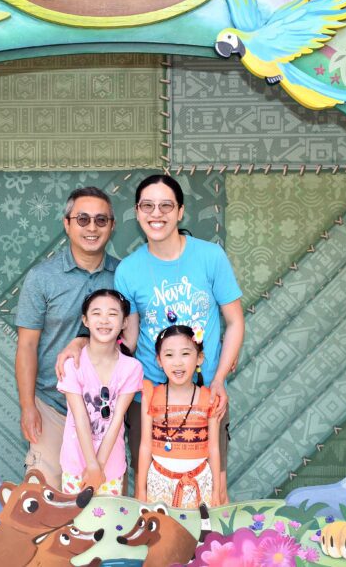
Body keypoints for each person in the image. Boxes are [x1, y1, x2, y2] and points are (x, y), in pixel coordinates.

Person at [58, 174, 243, 503]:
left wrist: (219, 379)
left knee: (212, 492)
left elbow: (235, 322)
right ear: (137, 212)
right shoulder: (129, 270)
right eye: (147, 206)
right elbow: (124, 336)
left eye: (165, 205)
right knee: (151, 492)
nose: (156, 213)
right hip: (148, 400)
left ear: (180, 211)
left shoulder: (210, 257)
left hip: (204, 396)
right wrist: (81, 342)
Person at [15, 186, 118, 488]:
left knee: (99, 505)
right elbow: (27, 345)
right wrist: (28, 406)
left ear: (112, 226)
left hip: (104, 412)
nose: (91, 227)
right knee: (43, 497)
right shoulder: (42, 278)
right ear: (67, 224)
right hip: (52, 407)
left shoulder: (123, 277)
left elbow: (129, 339)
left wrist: (84, 340)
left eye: (101, 220)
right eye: (82, 219)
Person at [57, 289, 143, 495]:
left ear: (124, 323)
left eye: (112, 314)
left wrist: (100, 466)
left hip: (110, 468)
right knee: (75, 524)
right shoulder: (72, 365)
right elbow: (80, 417)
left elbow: (116, 420)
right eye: (96, 313)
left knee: (108, 525)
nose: (104, 320)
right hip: (76, 464)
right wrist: (91, 465)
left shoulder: (132, 368)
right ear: (85, 321)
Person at [138, 325, 220, 508]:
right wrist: (141, 490)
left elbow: (214, 448)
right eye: (169, 355)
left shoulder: (209, 398)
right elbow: (145, 445)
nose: (177, 362)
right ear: (159, 360)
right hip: (158, 482)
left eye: (185, 354)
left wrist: (216, 491)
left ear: (199, 358)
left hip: (200, 481)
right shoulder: (151, 395)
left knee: (197, 533)